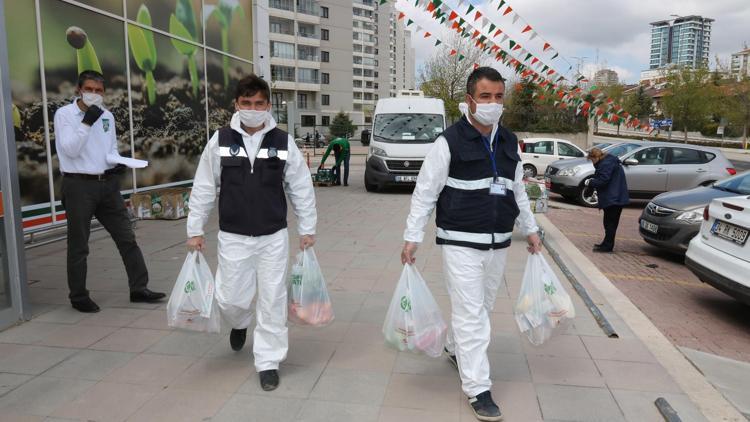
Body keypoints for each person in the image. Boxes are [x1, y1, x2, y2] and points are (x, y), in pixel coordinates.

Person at [401, 67, 541, 422]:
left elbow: (518, 189)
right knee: (471, 314)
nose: (493, 103)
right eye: (485, 97)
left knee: (482, 308)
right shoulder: (448, 141)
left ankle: (454, 349)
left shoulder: (509, 141)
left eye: (498, 97)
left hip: (498, 243)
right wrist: (412, 237)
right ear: (469, 100)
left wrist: (532, 229)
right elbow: (425, 193)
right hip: (460, 241)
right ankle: (478, 388)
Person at [186, 74, 317, 392]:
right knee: (230, 298)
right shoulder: (220, 140)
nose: (253, 109)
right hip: (233, 235)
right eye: (247, 103)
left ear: (269, 106)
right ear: (236, 104)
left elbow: (300, 186)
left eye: (259, 103)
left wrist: (307, 227)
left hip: (272, 235)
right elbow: (204, 186)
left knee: (272, 299)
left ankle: (268, 361)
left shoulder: (283, 143)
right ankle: (240, 322)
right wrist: (195, 229)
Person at [54, 70, 165, 313]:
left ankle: (139, 288)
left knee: (126, 236)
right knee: (79, 243)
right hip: (78, 185)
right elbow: (70, 150)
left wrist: (116, 163)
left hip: (107, 185)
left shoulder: (107, 116)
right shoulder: (65, 115)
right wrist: (86, 122)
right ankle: (78, 295)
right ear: (78, 90)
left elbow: (110, 147)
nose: (94, 94)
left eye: (99, 91)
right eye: (89, 89)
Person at [585, 148, 629, 252]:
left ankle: (608, 246)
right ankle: (606, 244)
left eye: (591, 160)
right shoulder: (608, 162)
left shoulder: (606, 164)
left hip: (614, 198)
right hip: (615, 197)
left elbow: (603, 180)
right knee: (609, 223)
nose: (592, 163)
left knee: (610, 224)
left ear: (596, 157)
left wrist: (590, 183)